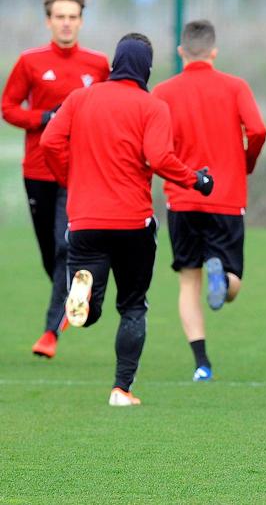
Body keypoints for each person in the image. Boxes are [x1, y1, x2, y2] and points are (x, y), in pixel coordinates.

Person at [40, 34, 214, 406]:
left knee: (90, 310)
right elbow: (161, 158)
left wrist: (69, 178)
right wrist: (196, 180)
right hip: (133, 223)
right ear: (147, 68)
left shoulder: (79, 99)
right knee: (133, 306)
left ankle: (83, 291)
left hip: (85, 219)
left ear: (115, 63)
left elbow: (50, 142)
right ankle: (122, 388)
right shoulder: (151, 106)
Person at [152, 20, 266, 381]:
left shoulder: (163, 92)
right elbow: (259, 130)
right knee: (233, 282)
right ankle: (225, 278)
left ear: (181, 51)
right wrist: (244, 163)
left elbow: (155, 148)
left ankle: (202, 363)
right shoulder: (235, 87)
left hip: (182, 199)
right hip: (227, 198)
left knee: (188, 281)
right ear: (214, 51)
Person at [2, 0, 110, 359]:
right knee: (51, 254)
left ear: (81, 21)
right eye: (60, 17)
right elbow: (8, 107)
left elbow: (110, 108)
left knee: (66, 244)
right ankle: (67, 293)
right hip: (37, 170)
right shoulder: (30, 62)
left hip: (79, 172)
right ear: (49, 21)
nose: (66, 23)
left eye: (73, 17)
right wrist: (44, 118)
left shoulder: (97, 65)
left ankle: (50, 332)